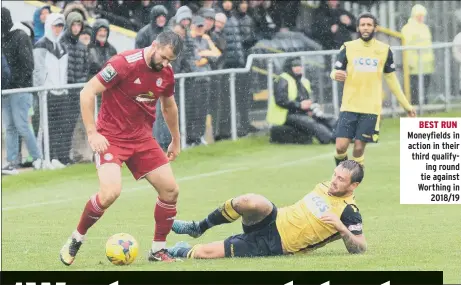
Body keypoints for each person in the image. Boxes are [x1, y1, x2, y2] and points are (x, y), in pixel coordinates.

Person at [60, 31, 184, 265]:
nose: (166, 64)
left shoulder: (166, 73)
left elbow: (169, 107)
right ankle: (77, 238)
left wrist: (176, 139)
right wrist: (92, 133)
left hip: (142, 140)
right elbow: (87, 92)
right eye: (164, 57)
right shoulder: (122, 63)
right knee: (110, 193)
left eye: (171, 61)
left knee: (170, 191)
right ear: (155, 45)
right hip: (111, 139)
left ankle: (158, 251)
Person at [169, 160, 366, 259]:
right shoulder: (324, 186)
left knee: (206, 253)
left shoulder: (349, 211)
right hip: (273, 217)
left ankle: (176, 251)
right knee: (250, 201)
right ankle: (198, 227)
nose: (334, 181)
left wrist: (341, 228)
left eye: (341, 179)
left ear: (354, 186)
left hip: (275, 244)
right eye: (334, 175)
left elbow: (359, 248)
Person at [330, 12, 416, 167]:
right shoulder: (348, 47)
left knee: (358, 148)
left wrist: (406, 106)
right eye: (362, 25)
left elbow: (392, 79)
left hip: (371, 108)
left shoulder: (384, 50)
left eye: (369, 25)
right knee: (340, 147)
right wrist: (335, 74)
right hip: (349, 106)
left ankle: (352, 182)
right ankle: (342, 174)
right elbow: (335, 71)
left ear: (375, 28)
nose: (365, 28)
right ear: (357, 27)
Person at [267, 57, 337, 145]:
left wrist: (311, 108)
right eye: (295, 66)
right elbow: (280, 100)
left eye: (300, 65)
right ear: (289, 67)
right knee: (310, 123)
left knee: (327, 118)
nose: (298, 68)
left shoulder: (304, 81)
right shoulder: (282, 79)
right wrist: (299, 105)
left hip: (301, 112)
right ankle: (330, 138)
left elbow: (310, 99)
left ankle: (345, 136)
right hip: (286, 115)